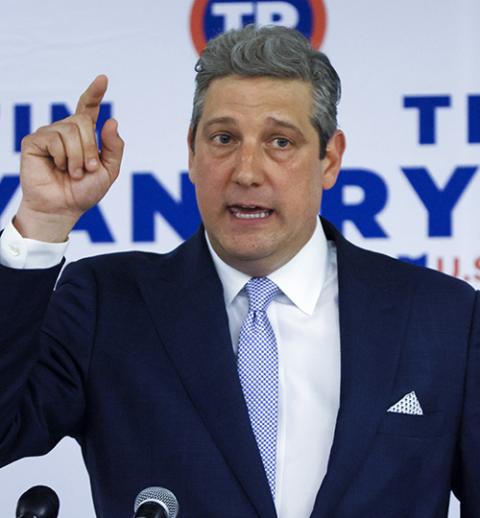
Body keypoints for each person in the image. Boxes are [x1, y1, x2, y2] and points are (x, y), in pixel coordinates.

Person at [0, 25, 478, 518]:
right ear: (192, 151)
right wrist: (41, 222)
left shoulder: (444, 317)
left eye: (280, 142)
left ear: (330, 159)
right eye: (224, 138)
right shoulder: (107, 303)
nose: (246, 171)